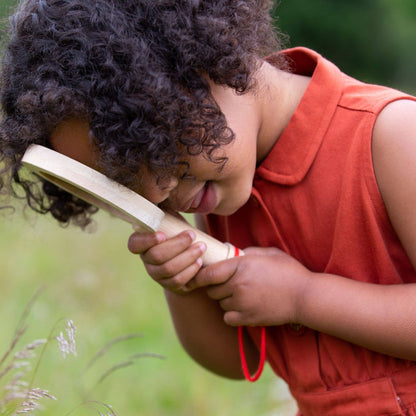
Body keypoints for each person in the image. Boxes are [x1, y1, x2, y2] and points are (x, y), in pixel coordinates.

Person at [1, 1, 416, 415]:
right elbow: (235, 361)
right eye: (124, 175)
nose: (158, 191)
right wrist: (185, 287)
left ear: (211, 58)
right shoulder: (220, 197)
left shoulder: (392, 136)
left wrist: (303, 298)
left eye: (156, 145)